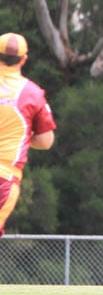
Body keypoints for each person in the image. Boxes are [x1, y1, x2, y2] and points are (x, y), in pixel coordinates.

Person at [0, 32, 56, 237]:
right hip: (4, 178)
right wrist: (23, 135)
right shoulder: (32, 93)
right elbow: (46, 140)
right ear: (23, 59)